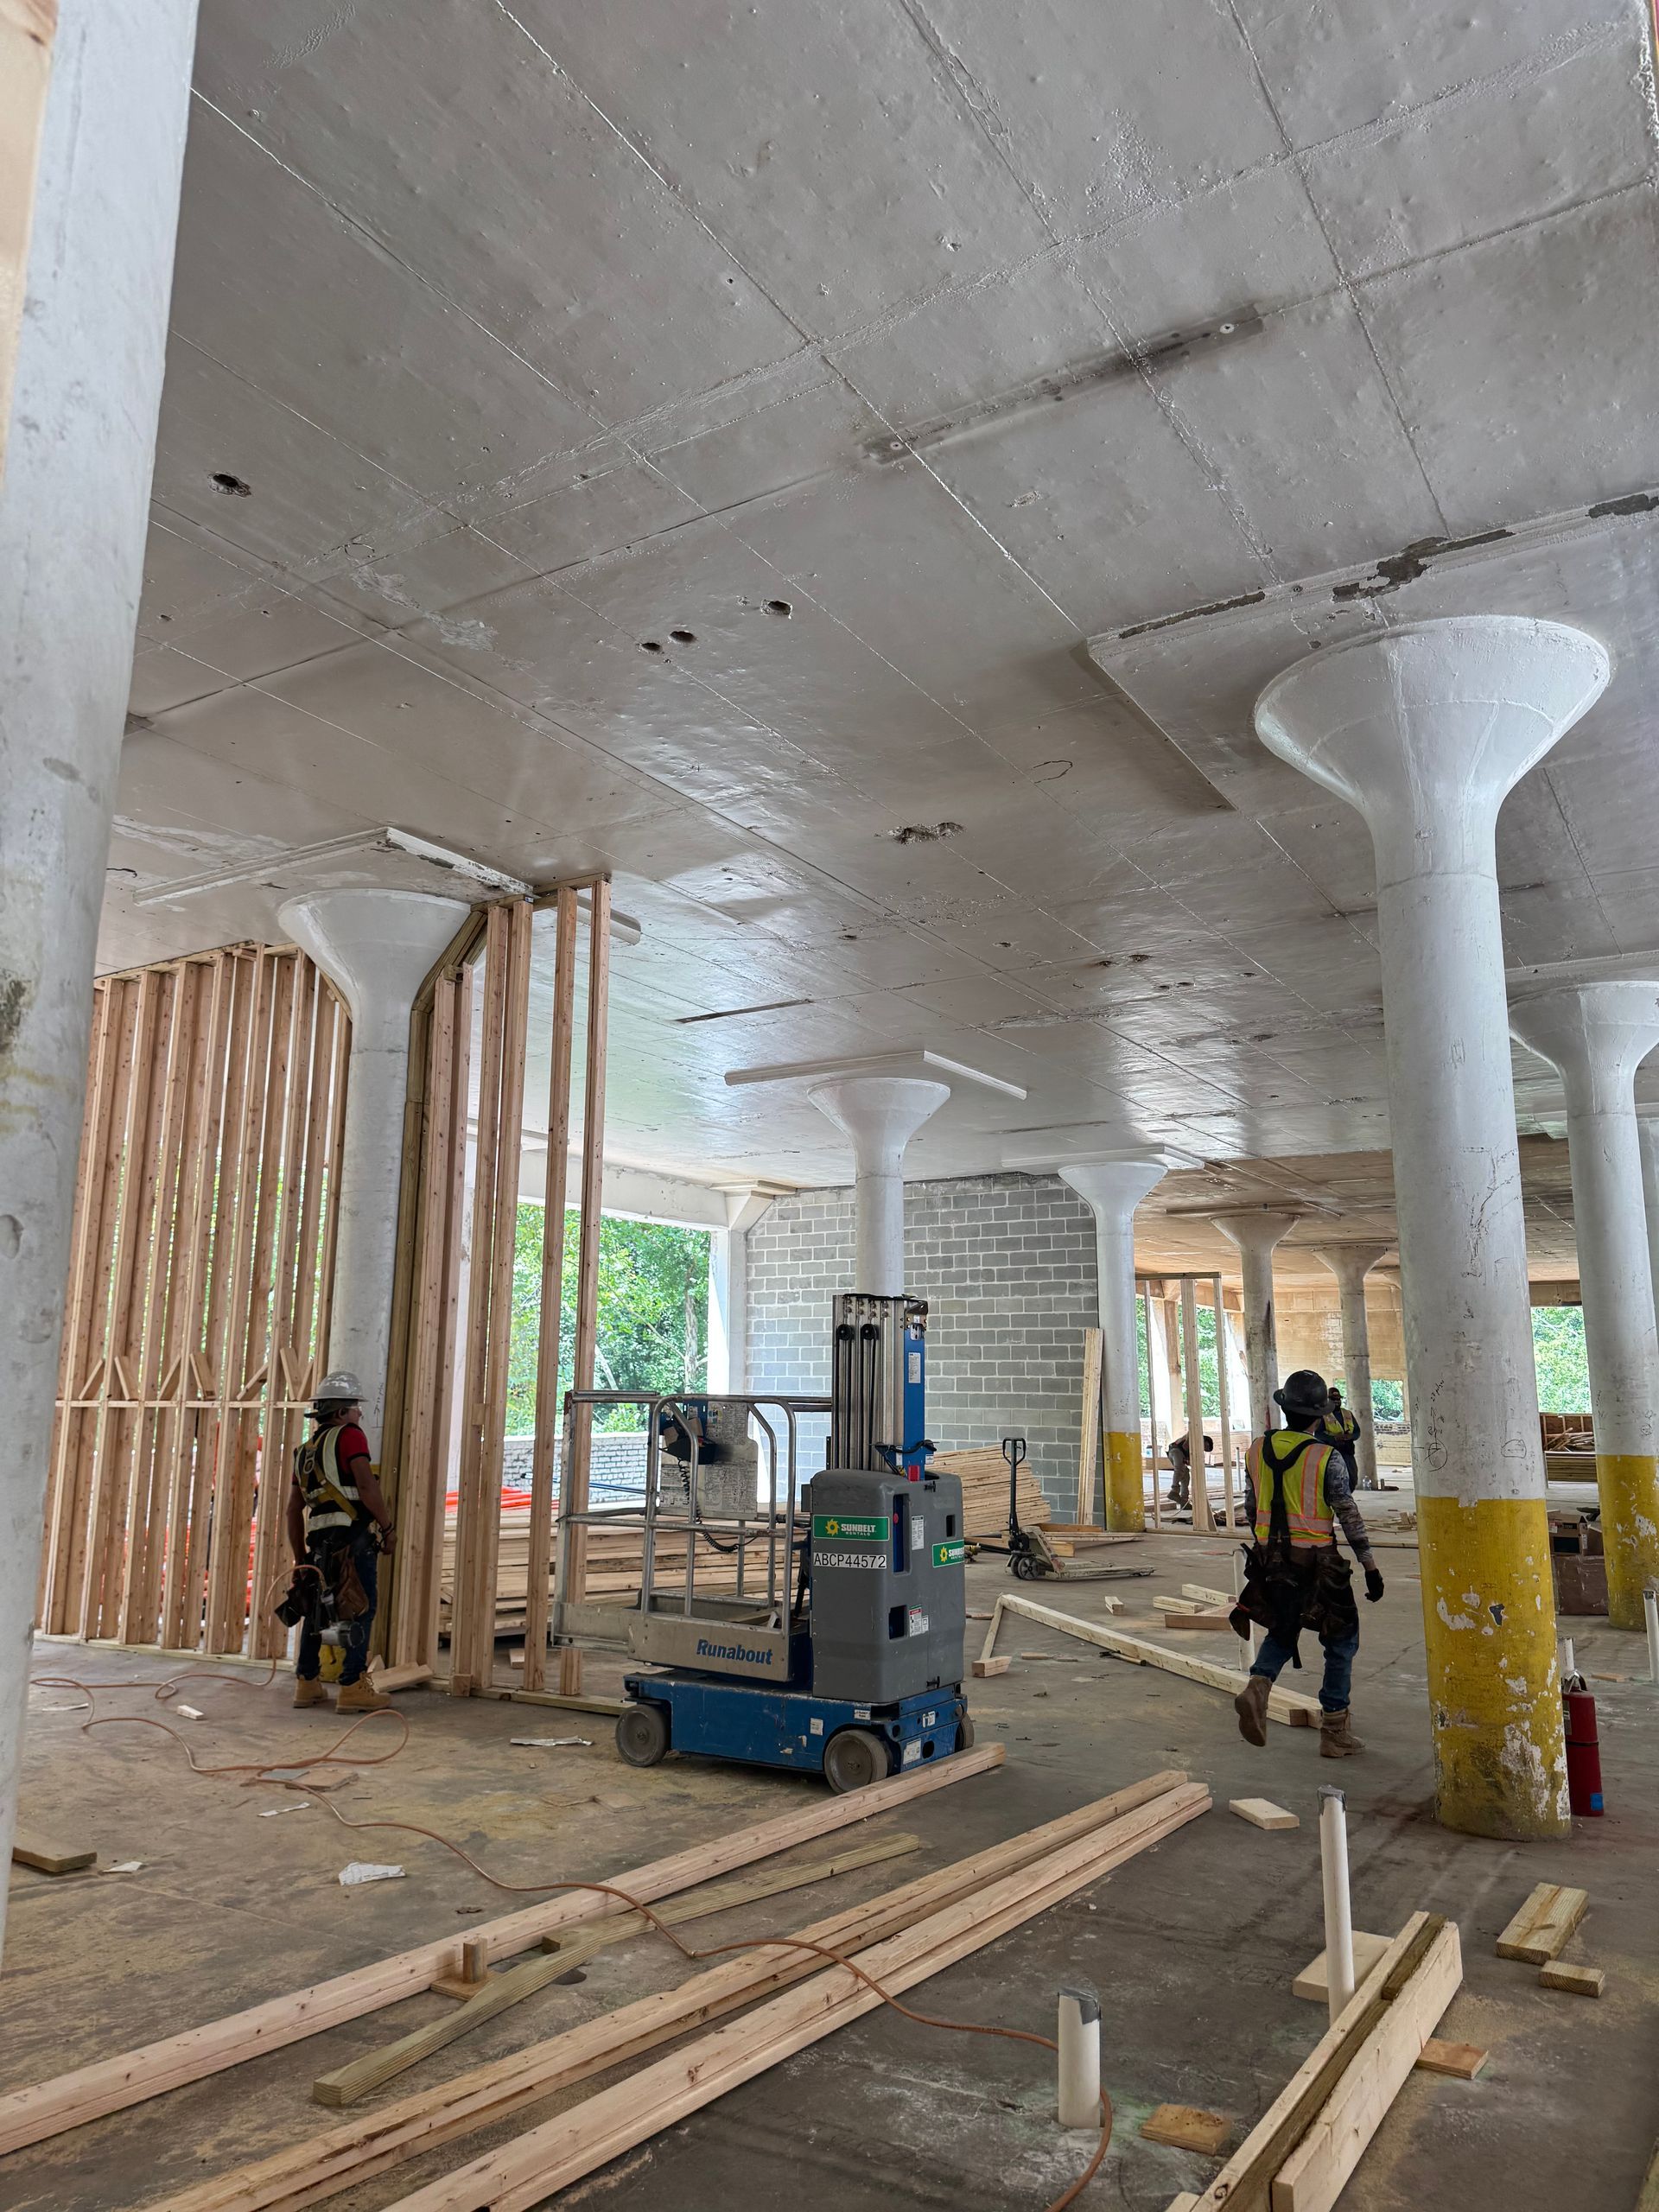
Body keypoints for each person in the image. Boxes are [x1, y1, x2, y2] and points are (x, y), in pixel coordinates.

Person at [1230, 1368, 1382, 1758]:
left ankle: (1258, 1686)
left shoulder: (1256, 1449)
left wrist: (1267, 1547)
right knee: (1341, 1639)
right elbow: (1348, 1515)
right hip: (1318, 1562)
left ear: (1285, 1409)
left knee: (1283, 1627)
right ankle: (1334, 1730)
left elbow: (1251, 1507)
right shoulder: (1326, 1457)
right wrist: (1370, 1567)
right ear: (1320, 1415)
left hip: (1271, 1560)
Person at [284, 1370, 396, 1712]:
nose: (360, 1414)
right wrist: (388, 1528)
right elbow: (366, 1486)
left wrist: (300, 1559)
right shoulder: (350, 1436)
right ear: (342, 1411)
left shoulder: (303, 1452)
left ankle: (307, 1683)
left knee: (316, 1609)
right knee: (360, 1607)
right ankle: (352, 1686)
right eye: (356, 1408)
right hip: (352, 1539)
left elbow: (292, 1510)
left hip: (318, 1543)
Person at [1321, 1383, 1366, 1489]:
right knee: (1334, 1480)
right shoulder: (1323, 1415)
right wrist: (1334, 1438)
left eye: (1338, 1399)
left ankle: (1348, 1494)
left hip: (1347, 1452)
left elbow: (1357, 1432)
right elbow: (1318, 1435)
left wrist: (1351, 1436)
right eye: (1333, 1399)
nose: (1337, 1401)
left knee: (1352, 1479)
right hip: (1331, 1453)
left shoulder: (1347, 1413)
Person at [1165, 1432, 1213, 1511]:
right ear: (1205, 1441)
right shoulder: (1195, 1437)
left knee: (1186, 1475)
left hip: (1179, 1453)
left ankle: (1184, 1502)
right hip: (1175, 1450)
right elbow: (1186, 1443)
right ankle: (1174, 1490)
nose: (1203, 1449)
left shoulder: (1196, 1447)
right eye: (1206, 1447)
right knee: (1179, 1469)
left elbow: (1190, 1461)